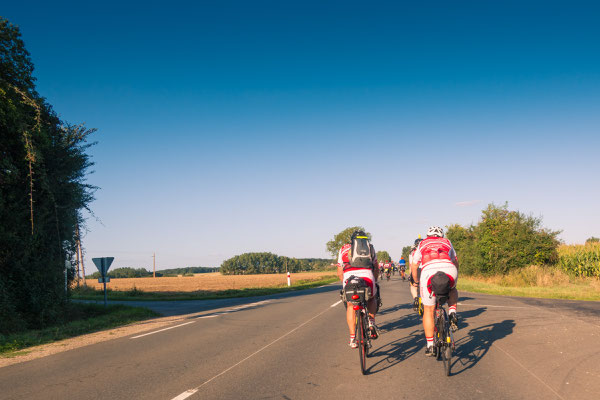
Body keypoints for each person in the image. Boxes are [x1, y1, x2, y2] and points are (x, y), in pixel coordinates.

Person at [410, 226, 459, 356]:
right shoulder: (447, 242)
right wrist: (455, 274)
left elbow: (414, 265)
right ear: (441, 235)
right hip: (449, 268)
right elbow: (455, 260)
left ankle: (430, 345)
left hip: (429, 272)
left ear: (428, 235)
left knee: (428, 310)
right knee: (453, 289)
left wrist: (416, 281)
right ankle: (453, 311)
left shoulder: (422, 243)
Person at [337, 230, 380, 349]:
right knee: (372, 298)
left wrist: (345, 284)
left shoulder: (343, 249)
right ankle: (371, 323)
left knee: (350, 306)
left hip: (349, 278)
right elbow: (376, 268)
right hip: (367, 276)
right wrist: (374, 281)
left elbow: (340, 272)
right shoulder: (370, 247)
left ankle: (352, 338)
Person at [408, 237, 423, 311]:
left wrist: (410, 275)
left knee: (413, 285)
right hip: (426, 269)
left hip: (416, 269)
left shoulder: (412, 252)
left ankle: (415, 298)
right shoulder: (426, 249)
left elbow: (411, 265)